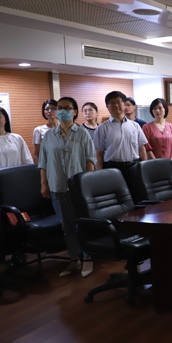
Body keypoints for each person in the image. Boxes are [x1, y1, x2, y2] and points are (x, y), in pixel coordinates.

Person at [38, 96, 96, 278]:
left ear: (75, 112)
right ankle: (73, 257)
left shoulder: (82, 134)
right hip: (57, 185)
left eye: (67, 108)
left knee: (82, 224)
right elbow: (43, 162)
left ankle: (87, 257)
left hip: (78, 188)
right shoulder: (49, 136)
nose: (63, 111)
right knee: (67, 226)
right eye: (60, 107)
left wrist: (87, 183)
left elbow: (90, 160)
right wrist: (44, 184)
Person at [93, 91, 148, 193]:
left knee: (137, 195)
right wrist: (100, 174)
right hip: (112, 168)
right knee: (116, 196)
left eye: (118, 102)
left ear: (124, 104)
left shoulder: (135, 126)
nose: (116, 105)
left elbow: (142, 149)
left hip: (134, 167)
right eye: (112, 103)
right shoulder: (101, 128)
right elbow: (98, 153)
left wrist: (144, 167)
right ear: (107, 107)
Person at [33, 99, 59, 163]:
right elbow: (37, 154)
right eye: (47, 109)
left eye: (53, 108)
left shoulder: (65, 128)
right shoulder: (38, 130)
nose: (49, 111)